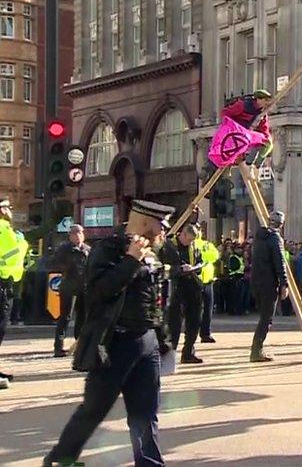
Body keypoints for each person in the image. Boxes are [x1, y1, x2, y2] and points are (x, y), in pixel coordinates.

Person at [45, 199, 174, 466]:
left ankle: (150, 462)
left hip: (146, 341)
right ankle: (61, 458)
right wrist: (130, 260)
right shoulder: (109, 249)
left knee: (145, 413)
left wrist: (164, 340)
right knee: (94, 409)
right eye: (161, 225)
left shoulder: (152, 252)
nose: (165, 231)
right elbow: (99, 290)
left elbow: (155, 301)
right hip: (114, 343)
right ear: (145, 222)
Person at [160, 224, 205, 365]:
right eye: (189, 240)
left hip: (192, 287)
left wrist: (197, 267)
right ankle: (169, 356)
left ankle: (188, 353)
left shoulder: (194, 247)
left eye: (192, 241)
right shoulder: (168, 246)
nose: (190, 243)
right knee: (174, 325)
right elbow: (163, 268)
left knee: (195, 321)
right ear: (183, 234)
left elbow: (200, 260)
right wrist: (179, 269)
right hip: (175, 289)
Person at [249, 211, 290, 362]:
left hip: (257, 282)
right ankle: (256, 351)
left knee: (263, 316)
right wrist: (284, 283)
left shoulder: (259, 237)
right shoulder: (275, 238)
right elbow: (279, 261)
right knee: (267, 318)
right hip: (269, 283)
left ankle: (257, 349)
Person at [52, 224, 91, 358]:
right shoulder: (64, 249)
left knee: (82, 317)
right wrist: (68, 266)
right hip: (69, 286)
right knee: (65, 316)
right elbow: (55, 264)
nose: (78, 236)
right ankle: (58, 347)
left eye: (80, 233)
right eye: (75, 234)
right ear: (70, 236)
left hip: (83, 287)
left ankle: (79, 346)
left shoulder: (88, 250)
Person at [0, 198, 27, 387]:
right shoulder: (3, 228)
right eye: (7, 207)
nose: (10, 210)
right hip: (3, 281)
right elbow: (13, 254)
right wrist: (21, 241)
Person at [222, 89, 274, 174]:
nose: (267, 104)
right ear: (258, 100)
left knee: (268, 143)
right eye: (265, 101)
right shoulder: (243, 105)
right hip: (237, 132)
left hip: (248, 135)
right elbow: (225, 113)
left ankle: (255, 165)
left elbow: (264, 129)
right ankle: (242, 164)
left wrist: (265, 139)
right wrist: (231, 128)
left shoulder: (262, 114)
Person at [195, 234, 220, 344]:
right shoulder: (200, 244)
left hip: (206, 280)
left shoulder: (205, 244)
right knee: (198, 310)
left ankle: (205, 333)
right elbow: (213, 256)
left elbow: (215, 256)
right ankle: (200, 333)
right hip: (198, 281)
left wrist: (203, 257)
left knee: (206, 309)